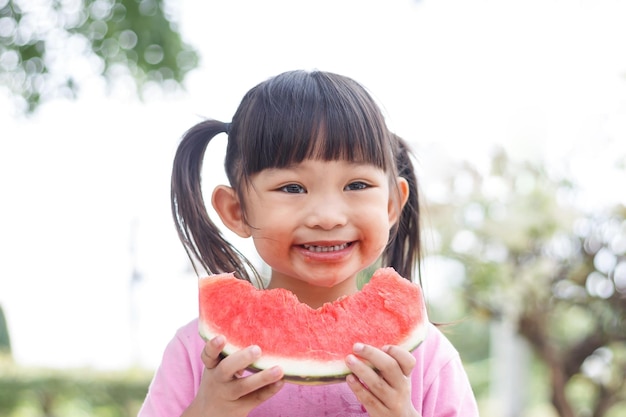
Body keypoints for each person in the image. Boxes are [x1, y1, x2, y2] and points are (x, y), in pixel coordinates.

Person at [138, 70, 479, 417]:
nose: (328, 217)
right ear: (236, 210)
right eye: (292, 188)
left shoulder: (427, 360)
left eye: (357, 185)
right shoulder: (197, 354)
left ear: (391, 205)